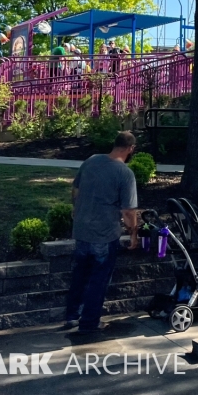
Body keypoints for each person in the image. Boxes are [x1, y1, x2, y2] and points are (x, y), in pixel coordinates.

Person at [63, 131, 139, 333]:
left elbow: (76, 190)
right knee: (98, 279)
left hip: (82, 230)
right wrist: (133, 234)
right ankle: (90, 322)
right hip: (104, 235)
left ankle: (72, 316)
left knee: (80, 275)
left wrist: (77, 210)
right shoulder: (125, 173)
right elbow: (128, 211)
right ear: (130, 149)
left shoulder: (92, 160)